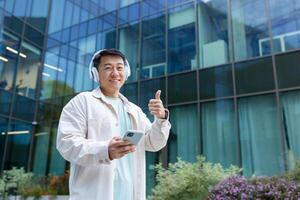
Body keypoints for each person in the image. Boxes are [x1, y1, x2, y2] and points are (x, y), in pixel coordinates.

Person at [56, 49, 171, 200]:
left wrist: (161, 118)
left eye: (119, 67)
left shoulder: (134, 110)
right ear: (95, 73)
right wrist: (105, 150)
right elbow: (67, 144)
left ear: (126, 72)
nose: (115, 73)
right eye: (108, 68)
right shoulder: (82, 101)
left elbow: (153, 143)